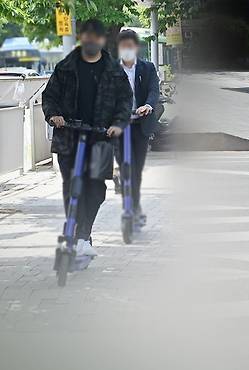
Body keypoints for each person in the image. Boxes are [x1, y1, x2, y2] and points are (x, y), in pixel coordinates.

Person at [42, 19, 133, 256]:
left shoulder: (114, 70)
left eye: (96, 37)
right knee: (72, 187)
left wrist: (117, 123)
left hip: (100, 137)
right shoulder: (65, 67)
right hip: (68, 136)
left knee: (95, 190)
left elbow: (125, 100)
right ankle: (76, 232)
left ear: (103, 40)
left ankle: (84, 234)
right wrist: (54, 115)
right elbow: (49, 96)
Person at [116, 29, 160, 226]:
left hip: (140, 125)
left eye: (130, 45)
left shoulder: (147, 68)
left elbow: (153, 90)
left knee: (136, 168)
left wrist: (148, 106)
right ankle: (131, 207)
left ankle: (134, 206)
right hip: (120, 127)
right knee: (127, 167)